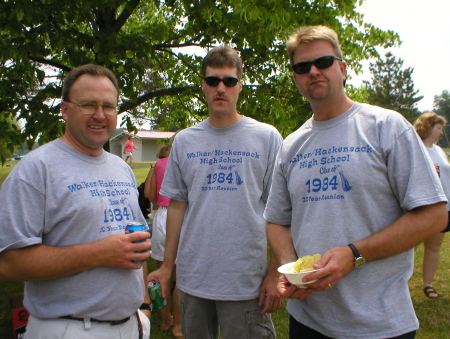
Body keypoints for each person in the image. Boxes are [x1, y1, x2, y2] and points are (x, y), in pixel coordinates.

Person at [263, 25, 448, 339]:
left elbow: (434, 214)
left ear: (342, 68)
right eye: (302, 67)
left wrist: (354, 254)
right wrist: (290, 266)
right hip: (307, 320)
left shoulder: (386, 126)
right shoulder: (291, 146)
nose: (314, 71)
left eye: (323, 62)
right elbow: (277, 221)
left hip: (379, 323)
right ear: (295, 77)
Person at [0, 64, 152, 339]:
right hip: (69, 328)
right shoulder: (37, 170)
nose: (99, 115)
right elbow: (8, 263)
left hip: (130, 326)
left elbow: (136, 244)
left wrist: (143, 304)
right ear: (65, 110)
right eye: (88, 105)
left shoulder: (122, 169)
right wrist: (100, 253)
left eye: (108, 106)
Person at [147, 45, 283, 339]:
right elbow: (177, 206)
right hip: (193, 280)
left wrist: (275, 273)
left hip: (245, 281)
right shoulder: (184, 141)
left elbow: (281, 213)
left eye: (229, 81)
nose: (221, 88)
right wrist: (167, 267)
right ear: (203, 87)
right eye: (213, 81)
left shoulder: (267, 137)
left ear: (240, 87)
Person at [145, 136, 183, 338]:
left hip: (161, 218)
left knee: (162, 274)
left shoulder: (159, 164)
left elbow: (150, 195)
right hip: (182, 216)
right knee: (182, 275)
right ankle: (178, 325)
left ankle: (165, 318)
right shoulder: (187, 161)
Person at [413, 112, 450, 298]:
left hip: (442, 206)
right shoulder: (414, 149)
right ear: (428, 127)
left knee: (434, 246)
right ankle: (399, 282)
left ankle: (428, 285)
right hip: (420, 207)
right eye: (439, 128)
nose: (441, 132)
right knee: (408, 247)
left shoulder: (439, 151)